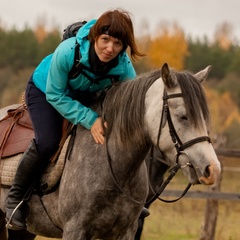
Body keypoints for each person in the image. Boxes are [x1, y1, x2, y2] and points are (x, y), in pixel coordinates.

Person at [5, 8, 149, 230]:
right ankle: (15, 200)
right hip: (47, 91)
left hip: (84, 95)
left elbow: (129, 105)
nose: (110, 48)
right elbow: (55, 94)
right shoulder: (67, 52)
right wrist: (91, 120)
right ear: (94, 37)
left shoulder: (123, 65)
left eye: (118, 44)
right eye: (105, 40)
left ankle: (130, 198)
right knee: (48, 141)